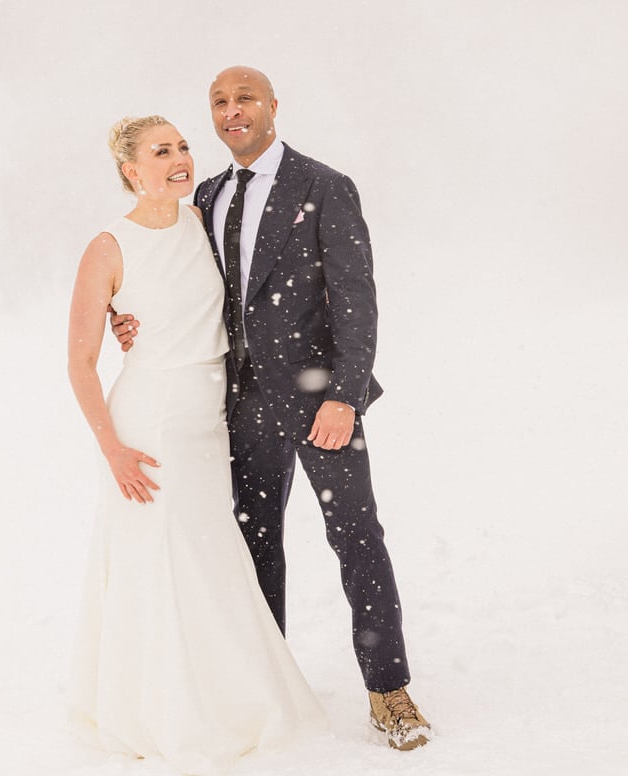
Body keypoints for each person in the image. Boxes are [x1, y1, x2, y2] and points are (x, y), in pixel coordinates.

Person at [111, 67, 433, 751]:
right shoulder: (205, 195)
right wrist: (126, 319)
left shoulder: (323, 187)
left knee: (356, 537)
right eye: (220, 103)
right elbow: (174, 282)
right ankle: (265, 688)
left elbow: (356, 299)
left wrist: (346, 393)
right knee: (252, 547)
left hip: (322, 402)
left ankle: (389, 691)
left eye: (245, 99)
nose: (233, 111)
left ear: (272, 107)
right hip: (238, 403)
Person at [64, 114, 326, 772]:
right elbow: (79, 361)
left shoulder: (201, 222)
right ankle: (157, 710)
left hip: (207, 420)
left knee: (207, 560)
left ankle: (223, 694)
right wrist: (113, 451)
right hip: (148, 423)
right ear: (131, 170)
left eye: (182, 146)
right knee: (157, 564)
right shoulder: (107, 247)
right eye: (162, 151)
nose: (180, 157)